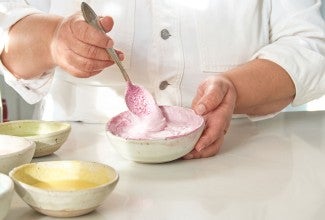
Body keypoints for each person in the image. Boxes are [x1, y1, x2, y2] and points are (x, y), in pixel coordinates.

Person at [0, 0, 324, 159]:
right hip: (83, 166)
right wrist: (53, 39)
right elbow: (7, 30)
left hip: (238, 157)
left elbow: (311, 47)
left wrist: (236, 89)